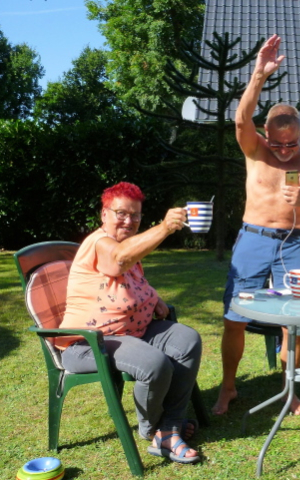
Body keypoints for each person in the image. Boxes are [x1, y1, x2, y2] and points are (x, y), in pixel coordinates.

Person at [212, 34, 300, 416]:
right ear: (266, 135)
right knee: (235, 318)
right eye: (278, 143)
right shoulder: (255, 150)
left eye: (291, 143)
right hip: (253, 239)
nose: (283, 151)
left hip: (294, 243)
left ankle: (289, 390)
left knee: (292, 322)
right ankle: (228, 388)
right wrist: (259, 75)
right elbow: (240, 118)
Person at [58, 182, 202, 464]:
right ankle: (155, 430)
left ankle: (170, 425)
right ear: (104, 214)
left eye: (135, 215)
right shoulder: (100, 243)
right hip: (88, 343)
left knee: (187, 340)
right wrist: (165, 227)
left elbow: (130, 281)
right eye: (121, 213)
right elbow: (119, 260)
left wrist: (153, 297)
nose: (129, 220)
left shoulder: (129, 246)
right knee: (154, 363)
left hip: (131, 332)